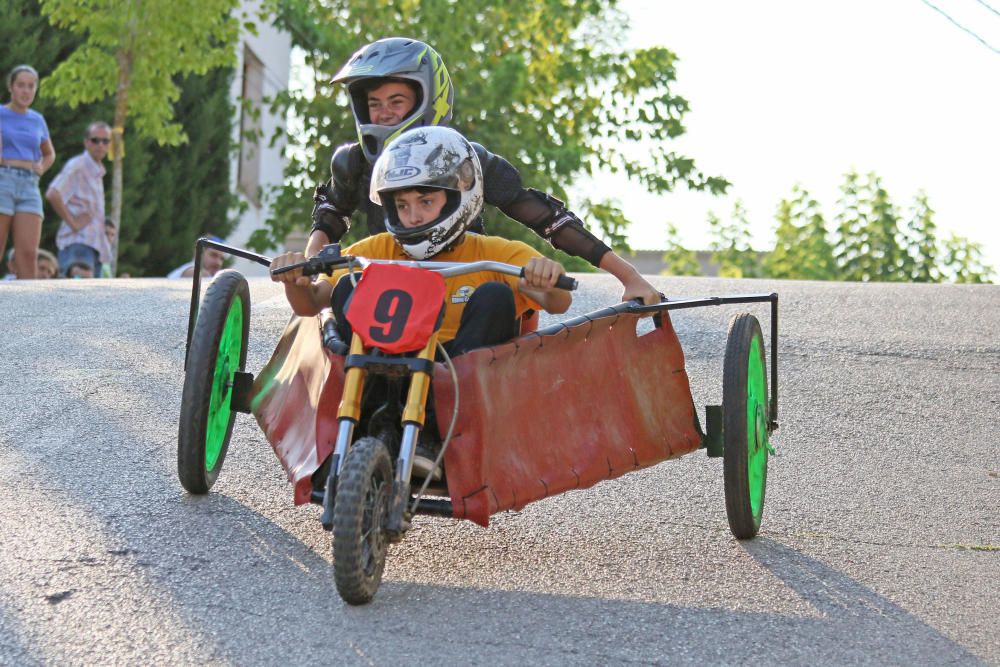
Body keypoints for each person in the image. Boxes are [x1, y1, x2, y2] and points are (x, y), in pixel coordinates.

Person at [273, 128, 572, 476]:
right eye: (402, 205)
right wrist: (294, 282)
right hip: (380, 366)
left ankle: (434, 431)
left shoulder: (493, 253)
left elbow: (559, 301)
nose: (412, 216)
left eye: (425, 202)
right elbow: (312, 303)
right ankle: (365, 421)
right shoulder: (377, 250)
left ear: (459, 196)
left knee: (496, 296)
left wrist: (544, 275)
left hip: (456, 381)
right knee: (348, 285)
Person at [305, 37, 661, 307]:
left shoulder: (464, 159)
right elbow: (330, 217)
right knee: (335, 312)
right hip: (389, 298)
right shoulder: (353, 161)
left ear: (427, 99)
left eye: (396, 102)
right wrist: (306, 273)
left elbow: (548, 220)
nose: (382, 114)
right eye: (374, 104)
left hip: (465, 299)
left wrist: (629, 277)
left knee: (494, 302)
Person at [0, 65, 56, 279]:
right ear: (11, 87)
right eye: (21, 85)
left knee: (28, 253)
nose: (26, 91)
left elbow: (49, 153)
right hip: (3, 180)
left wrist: (41, 166)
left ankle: (28, 308)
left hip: (29, 185)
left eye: (31, 86)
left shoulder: (37, 119)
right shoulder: (1, 114)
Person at [46, 121, 112, 277]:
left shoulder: (96, 171)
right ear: (86, 142)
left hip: (94, 248)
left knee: (91, 300)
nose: (100, 145)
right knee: (78, 298)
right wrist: (73, 223)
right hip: (78, 245)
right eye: (95, 140)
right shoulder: (78, 166)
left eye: (105, 141)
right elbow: (52, 193)